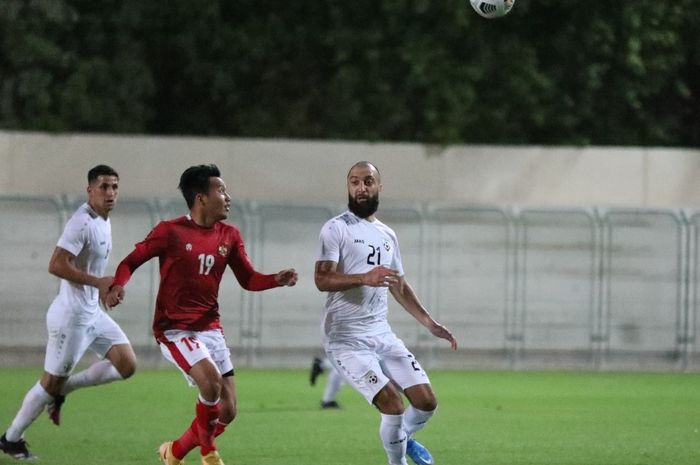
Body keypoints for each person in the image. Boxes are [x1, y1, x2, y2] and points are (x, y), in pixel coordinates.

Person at [105, 164, 298, 465]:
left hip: (210, 327)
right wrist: (118, 285)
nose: (228, 196)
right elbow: (130, 262)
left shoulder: (230, 235)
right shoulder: (169, 232)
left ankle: (174, 452)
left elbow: (248, 279)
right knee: (210, 383)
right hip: (175, 329)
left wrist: (275, 279)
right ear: (201, 198)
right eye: (220, 190)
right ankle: (209, 453)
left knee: (228, 410)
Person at [314, 161, 457, 465]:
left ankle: (403, 438)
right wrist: (364, 277)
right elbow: (322, 280)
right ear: (348, 187)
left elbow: (399, 285)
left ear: (379, 186)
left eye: (368, 181)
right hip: (346, 339)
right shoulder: (335, 228)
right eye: (354, 182)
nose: (361, 188)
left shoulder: (387, 235)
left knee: (427, 402)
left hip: (382, 334)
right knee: (392, 403)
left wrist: (430, 323)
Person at [0, 165, 137, 460]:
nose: (110, 192)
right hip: (71, 319)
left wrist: (106, 288)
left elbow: (92, 271)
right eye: (103, 186)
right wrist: (98, 282)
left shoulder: (103, 220)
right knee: (49, 383)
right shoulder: (82, 222)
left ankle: (65, 389)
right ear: (90, 190)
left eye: (114, 186)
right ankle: (11, 438)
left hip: (92, 314)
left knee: (127, 365)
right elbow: (56, 265)